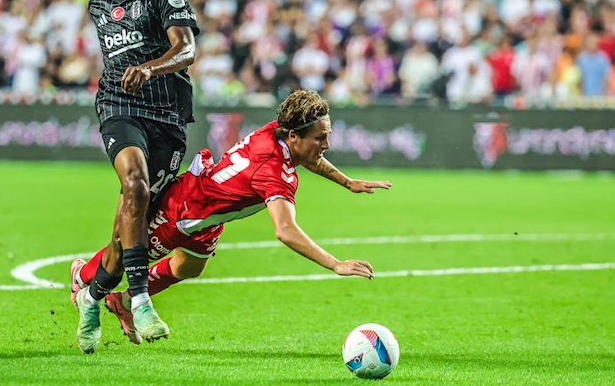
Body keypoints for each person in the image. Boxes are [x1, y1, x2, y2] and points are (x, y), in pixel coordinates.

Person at [70, 90, 391, 347]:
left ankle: (123, 301)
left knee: (189, 266)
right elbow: (285, 230)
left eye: (327, 135)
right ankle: (83, 278)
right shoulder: (274, 172)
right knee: (128, 253)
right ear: (293, 135)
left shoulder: (276, 133)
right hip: (184, 211)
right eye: (320, 137)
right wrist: (335, 264)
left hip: (210, 216)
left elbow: (312, 157)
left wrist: (346, 182)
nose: (327, 144)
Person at [73, 0, 200, 353]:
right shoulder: (98, 4)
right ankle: (141, 300)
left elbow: (186, 50)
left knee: (127, 227)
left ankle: (90, 296)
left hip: (167, 116)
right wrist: (134, 75)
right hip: (119, 107)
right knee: (135, 184)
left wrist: (150, 68)